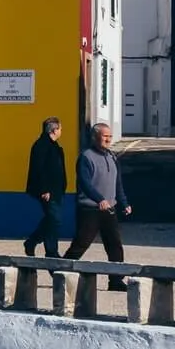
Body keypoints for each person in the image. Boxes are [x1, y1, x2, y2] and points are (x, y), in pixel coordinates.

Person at [66, 122, 131, 287]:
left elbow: (118, 183)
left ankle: (116, 280)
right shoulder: (86, 157)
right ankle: (62, 271)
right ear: (95, 137)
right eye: (105, 136)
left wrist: (123, 202)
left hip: (109, 209)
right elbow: (85, 183)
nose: (108, 139)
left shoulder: (112, 157)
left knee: (114, 244)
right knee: (81, 244)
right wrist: (99, 199)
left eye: (110, 136)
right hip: (90, 209)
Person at [23, 116, 67, 258]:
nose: (61, 131)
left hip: (56, 190)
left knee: (52, 218)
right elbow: (39, 169)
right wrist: (44, 189)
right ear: (54, 130)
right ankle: (51, 251)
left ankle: (32, 241)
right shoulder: (41, 145)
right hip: (47, 191)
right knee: (54, 219)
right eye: (60, 128)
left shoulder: (54, 146)